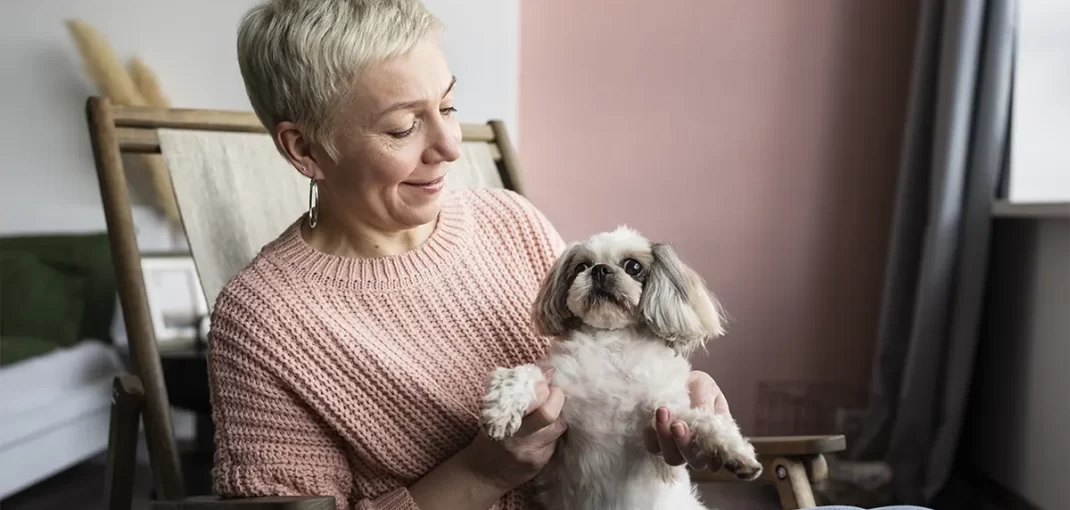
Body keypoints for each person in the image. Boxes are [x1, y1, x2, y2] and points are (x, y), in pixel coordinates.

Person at [210, 1, 932, 509]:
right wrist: (483, 473)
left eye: (450, 107)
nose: (451, 146)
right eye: (403, 127)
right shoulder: (265, 321)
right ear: (305, 148)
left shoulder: (509, 221)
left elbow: (614, 361)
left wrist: (683, 399)